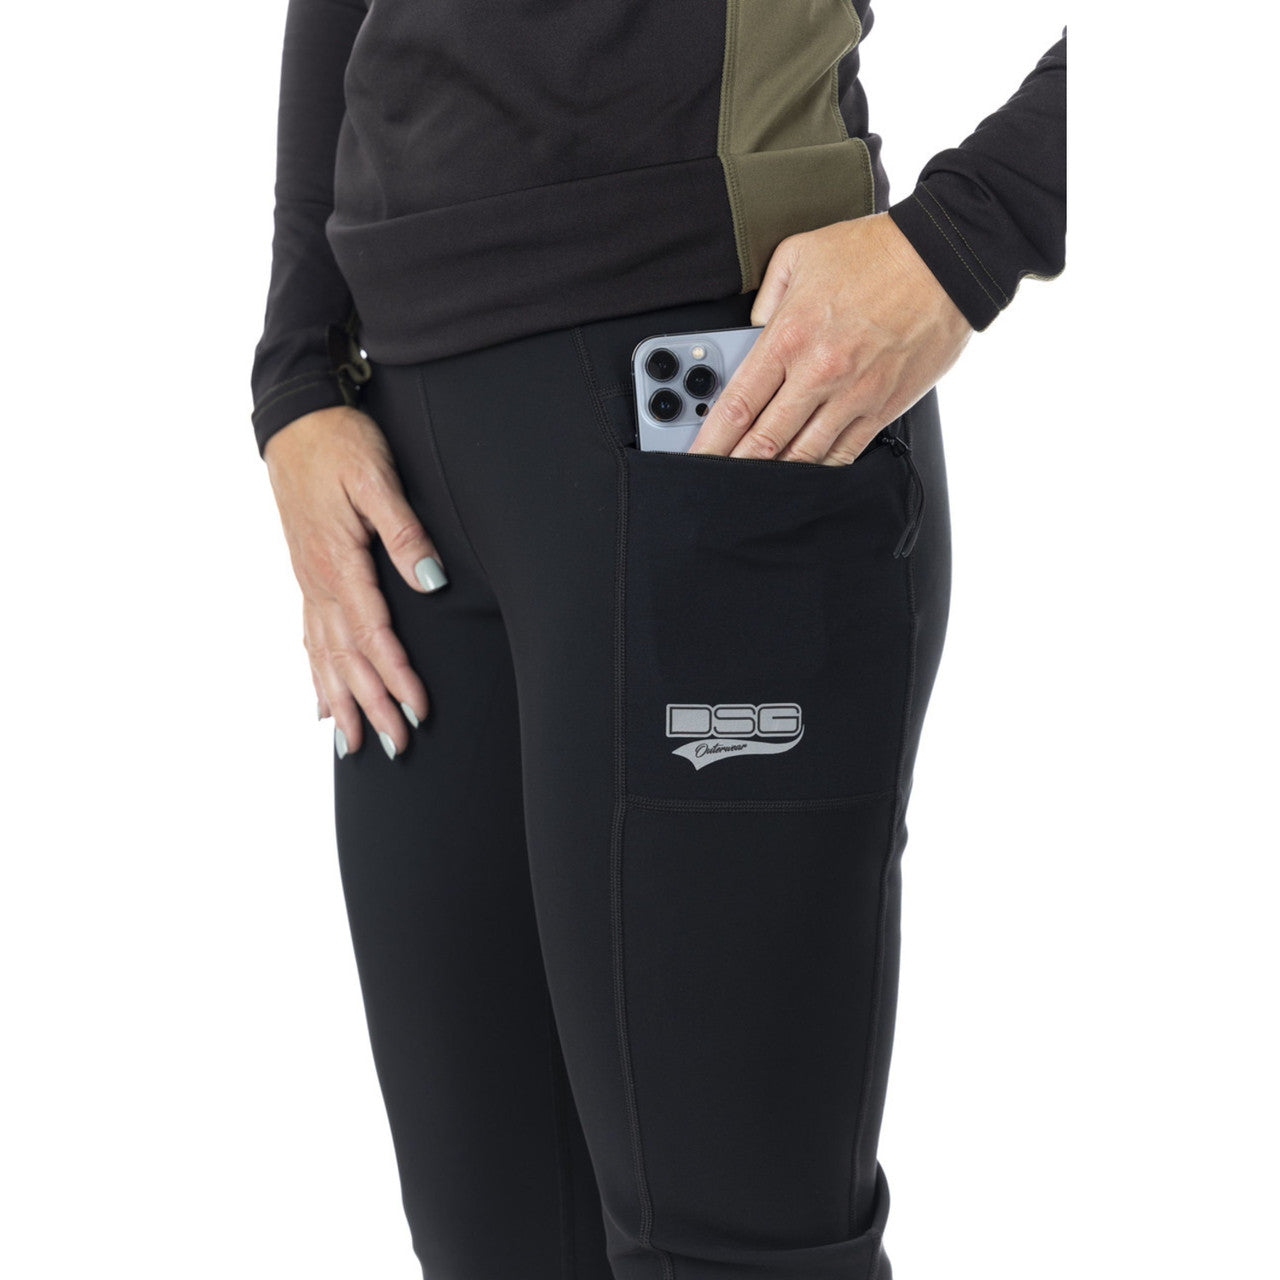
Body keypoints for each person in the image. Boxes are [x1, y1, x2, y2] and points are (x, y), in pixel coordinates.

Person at [249, 4, 1066, 1277]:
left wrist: (973, 229)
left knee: (726, 1245)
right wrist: (296, 376)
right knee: (490, 1239)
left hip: (721, 408)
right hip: (404, 460)